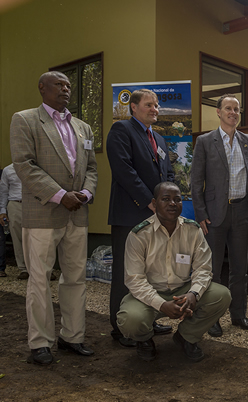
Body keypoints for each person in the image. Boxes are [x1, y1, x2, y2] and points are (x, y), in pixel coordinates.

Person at [10, 71, 98, 365]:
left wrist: (86, 192)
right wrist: (62, 195)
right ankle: (40, 343)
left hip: (78, 214)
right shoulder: (24, 120)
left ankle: (72, 336)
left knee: (75, 279)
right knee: (39, 280)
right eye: (59, 84)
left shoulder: (83, 127)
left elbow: (93, 169)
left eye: (68, 85)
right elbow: (24, 165)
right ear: (41, 88)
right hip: (44, 212)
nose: (65, 89)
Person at [117, 182, 231, 362]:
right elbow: (134, 280)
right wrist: (161, 304)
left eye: (177, 200)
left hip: (183, 290)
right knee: (130, 319)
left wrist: (194, 293)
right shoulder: (139, 235)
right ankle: (144, 339)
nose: (172, 203)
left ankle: (186, 337)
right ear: (154, 204)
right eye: (166, 199)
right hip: (149, 294)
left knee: (222, 295)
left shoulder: (193, 230)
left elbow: (204, 268)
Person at [107, 89, 175, 347]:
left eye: (156, 105)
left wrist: (167, 201)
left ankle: (147, 320)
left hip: (156, 216)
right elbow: (124, 170)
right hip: (130, 215)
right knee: (126, 274)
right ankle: (121, 328)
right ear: (133, 107)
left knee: (151, 272)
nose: (154, 109)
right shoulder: (121, 131)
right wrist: (149, 200)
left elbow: (167, 172)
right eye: (149, 105)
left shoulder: (158, 138)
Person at [191, 94, 248, 337]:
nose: (233, 112)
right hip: (213, 215)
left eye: (237, 109)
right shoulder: (205, 141)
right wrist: (200, 213)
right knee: (212, 269)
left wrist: (244, 193)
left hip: (241, 211)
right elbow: (196, 180)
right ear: (218, 112)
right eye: (228, 108)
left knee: (240, 268)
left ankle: (239, 315)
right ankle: (212, 317)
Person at [0, 163, 28, 279]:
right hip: (15, 204)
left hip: (34, 205)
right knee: (17, 237)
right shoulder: (8, 170)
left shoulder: (36, 166)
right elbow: (4, 191)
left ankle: (43, 268)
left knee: (39, 237)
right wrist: (2, 211)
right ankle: (23, 268)